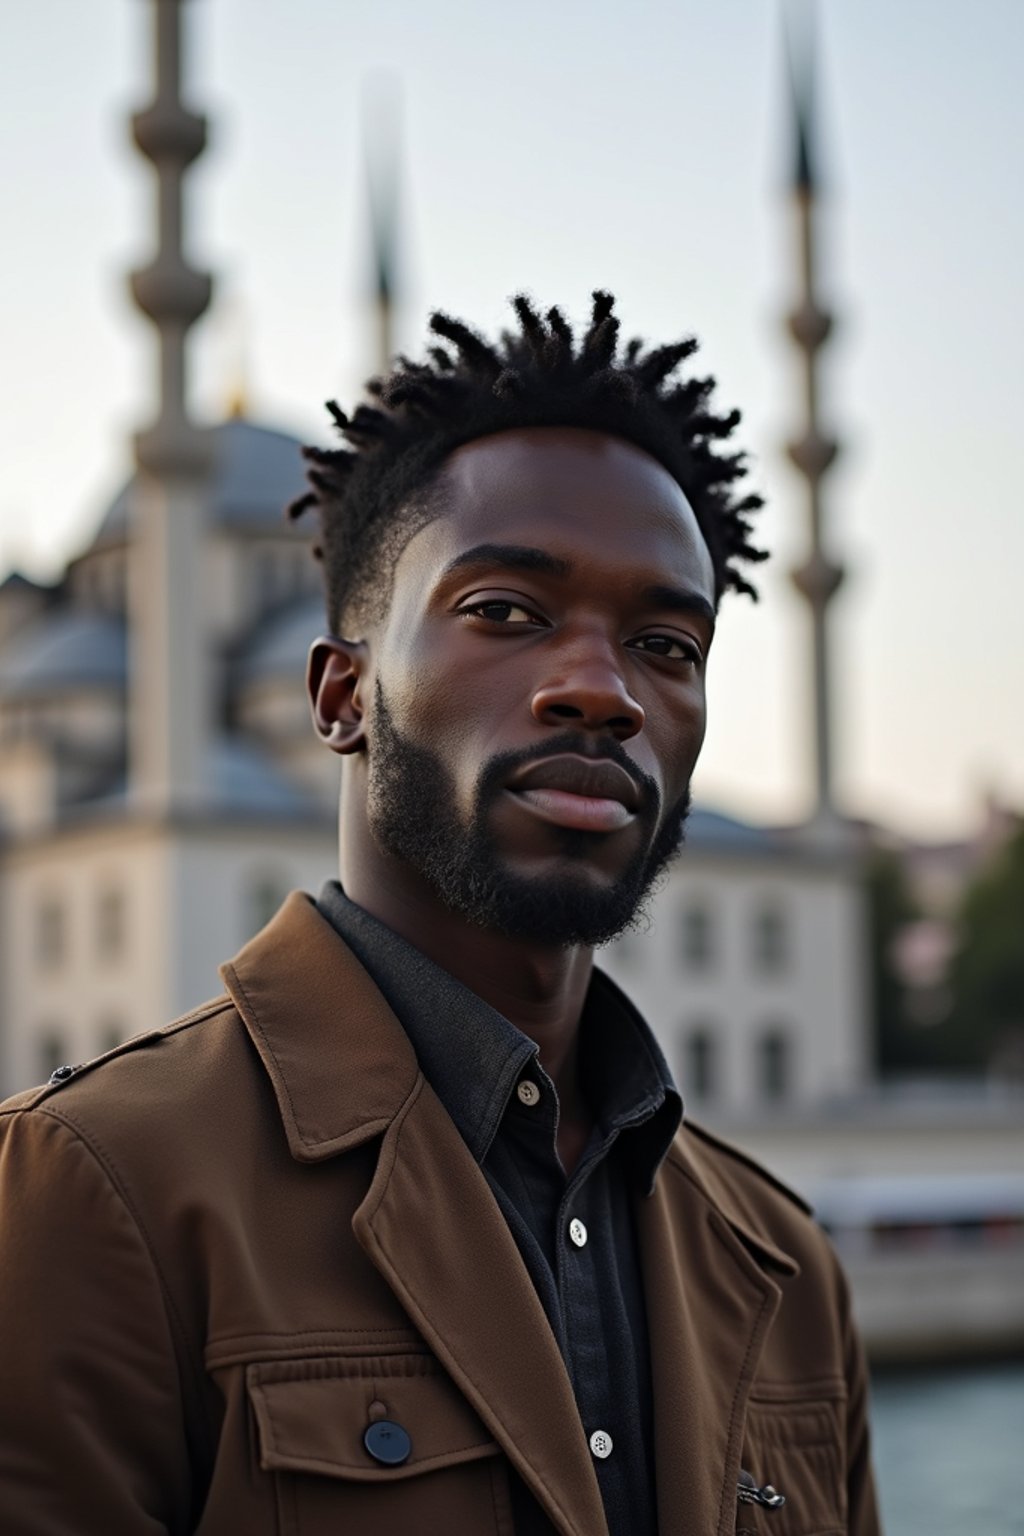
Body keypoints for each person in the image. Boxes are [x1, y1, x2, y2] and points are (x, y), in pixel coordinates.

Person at [0, 293, 880, 1535]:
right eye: (507, 613)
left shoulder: (780, 1266)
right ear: (341, 692)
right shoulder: (99, 1190)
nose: (601, 690)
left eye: (665, 642)